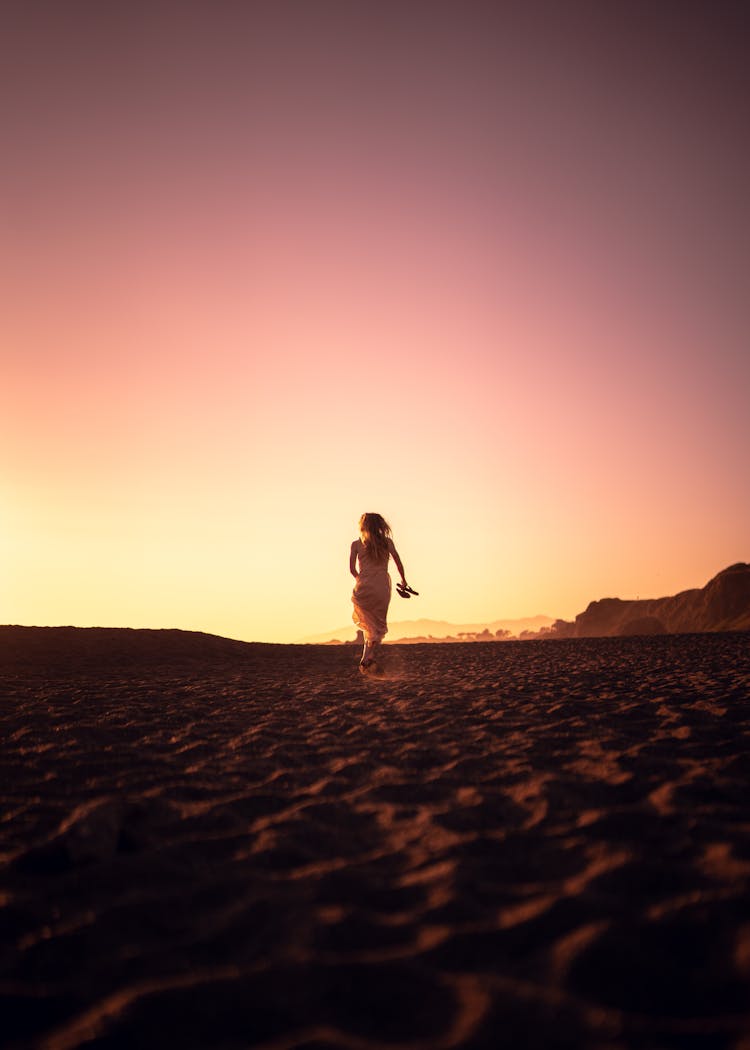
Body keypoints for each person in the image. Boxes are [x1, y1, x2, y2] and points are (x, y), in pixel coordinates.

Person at [350, 512, 408, 671]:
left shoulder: (356, 544)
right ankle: (369, 656)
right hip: (381, 585)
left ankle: (365, 658)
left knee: (367, 624)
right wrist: (404, 581)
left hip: (363, 586)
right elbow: (398, 563)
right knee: (378, 624)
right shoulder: (387, 542)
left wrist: (361, 580)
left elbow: (352, 570)